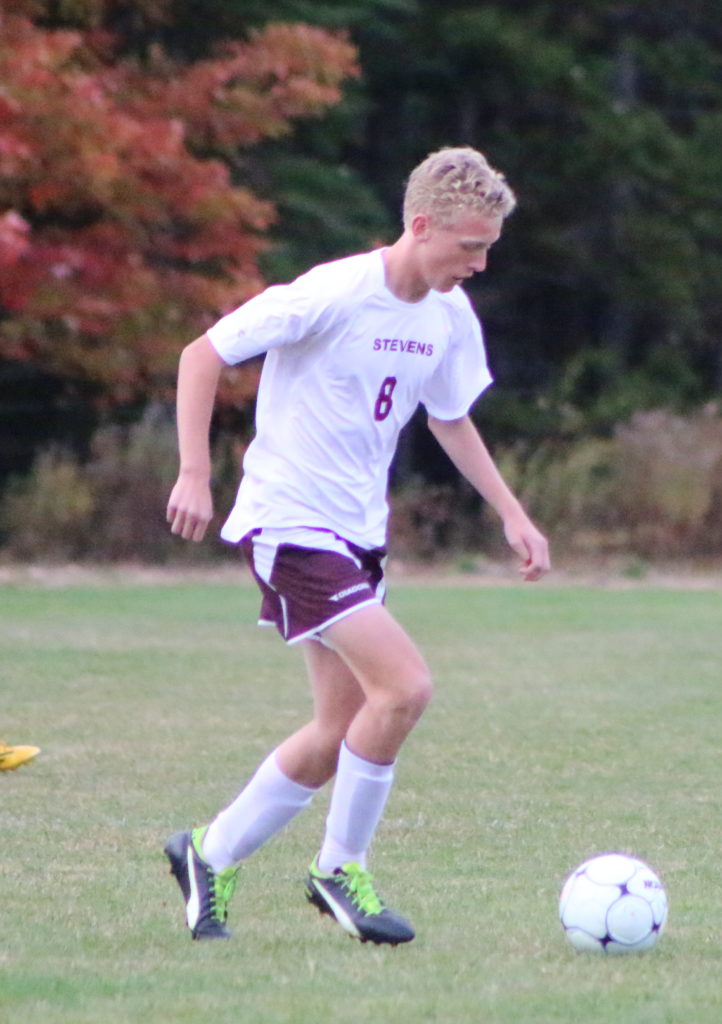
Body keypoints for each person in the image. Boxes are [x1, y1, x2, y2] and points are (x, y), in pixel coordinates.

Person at [164, 146, 550, 945]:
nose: (478, 263)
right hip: (291, 525)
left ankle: (208, 852)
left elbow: (448, 416)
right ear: (419, 225)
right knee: (404, 690)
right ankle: (340, 869)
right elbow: (201, 354)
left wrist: (511, 512)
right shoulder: (332, 291)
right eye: (468, 246)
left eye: (488, 248)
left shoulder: (447, 315)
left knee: (338, 733)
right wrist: (195, 472)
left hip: (357, 539)